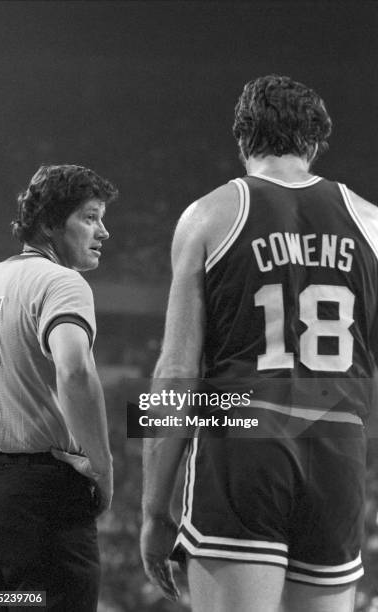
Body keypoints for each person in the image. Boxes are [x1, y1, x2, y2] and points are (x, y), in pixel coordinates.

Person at [141, 75, 378, 612]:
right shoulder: (371, 222)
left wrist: (155, 509)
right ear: (315, 142)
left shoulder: (208, 215)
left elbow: (177, 371)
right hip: (338, 445)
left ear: (242, 139)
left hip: (240, 439)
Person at [0, 164, 117, 611]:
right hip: (41, 500)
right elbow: (73, 371)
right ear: (51, 224)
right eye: (90, 217)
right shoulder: (62, 282)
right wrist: (103, 465)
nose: (103, 232)